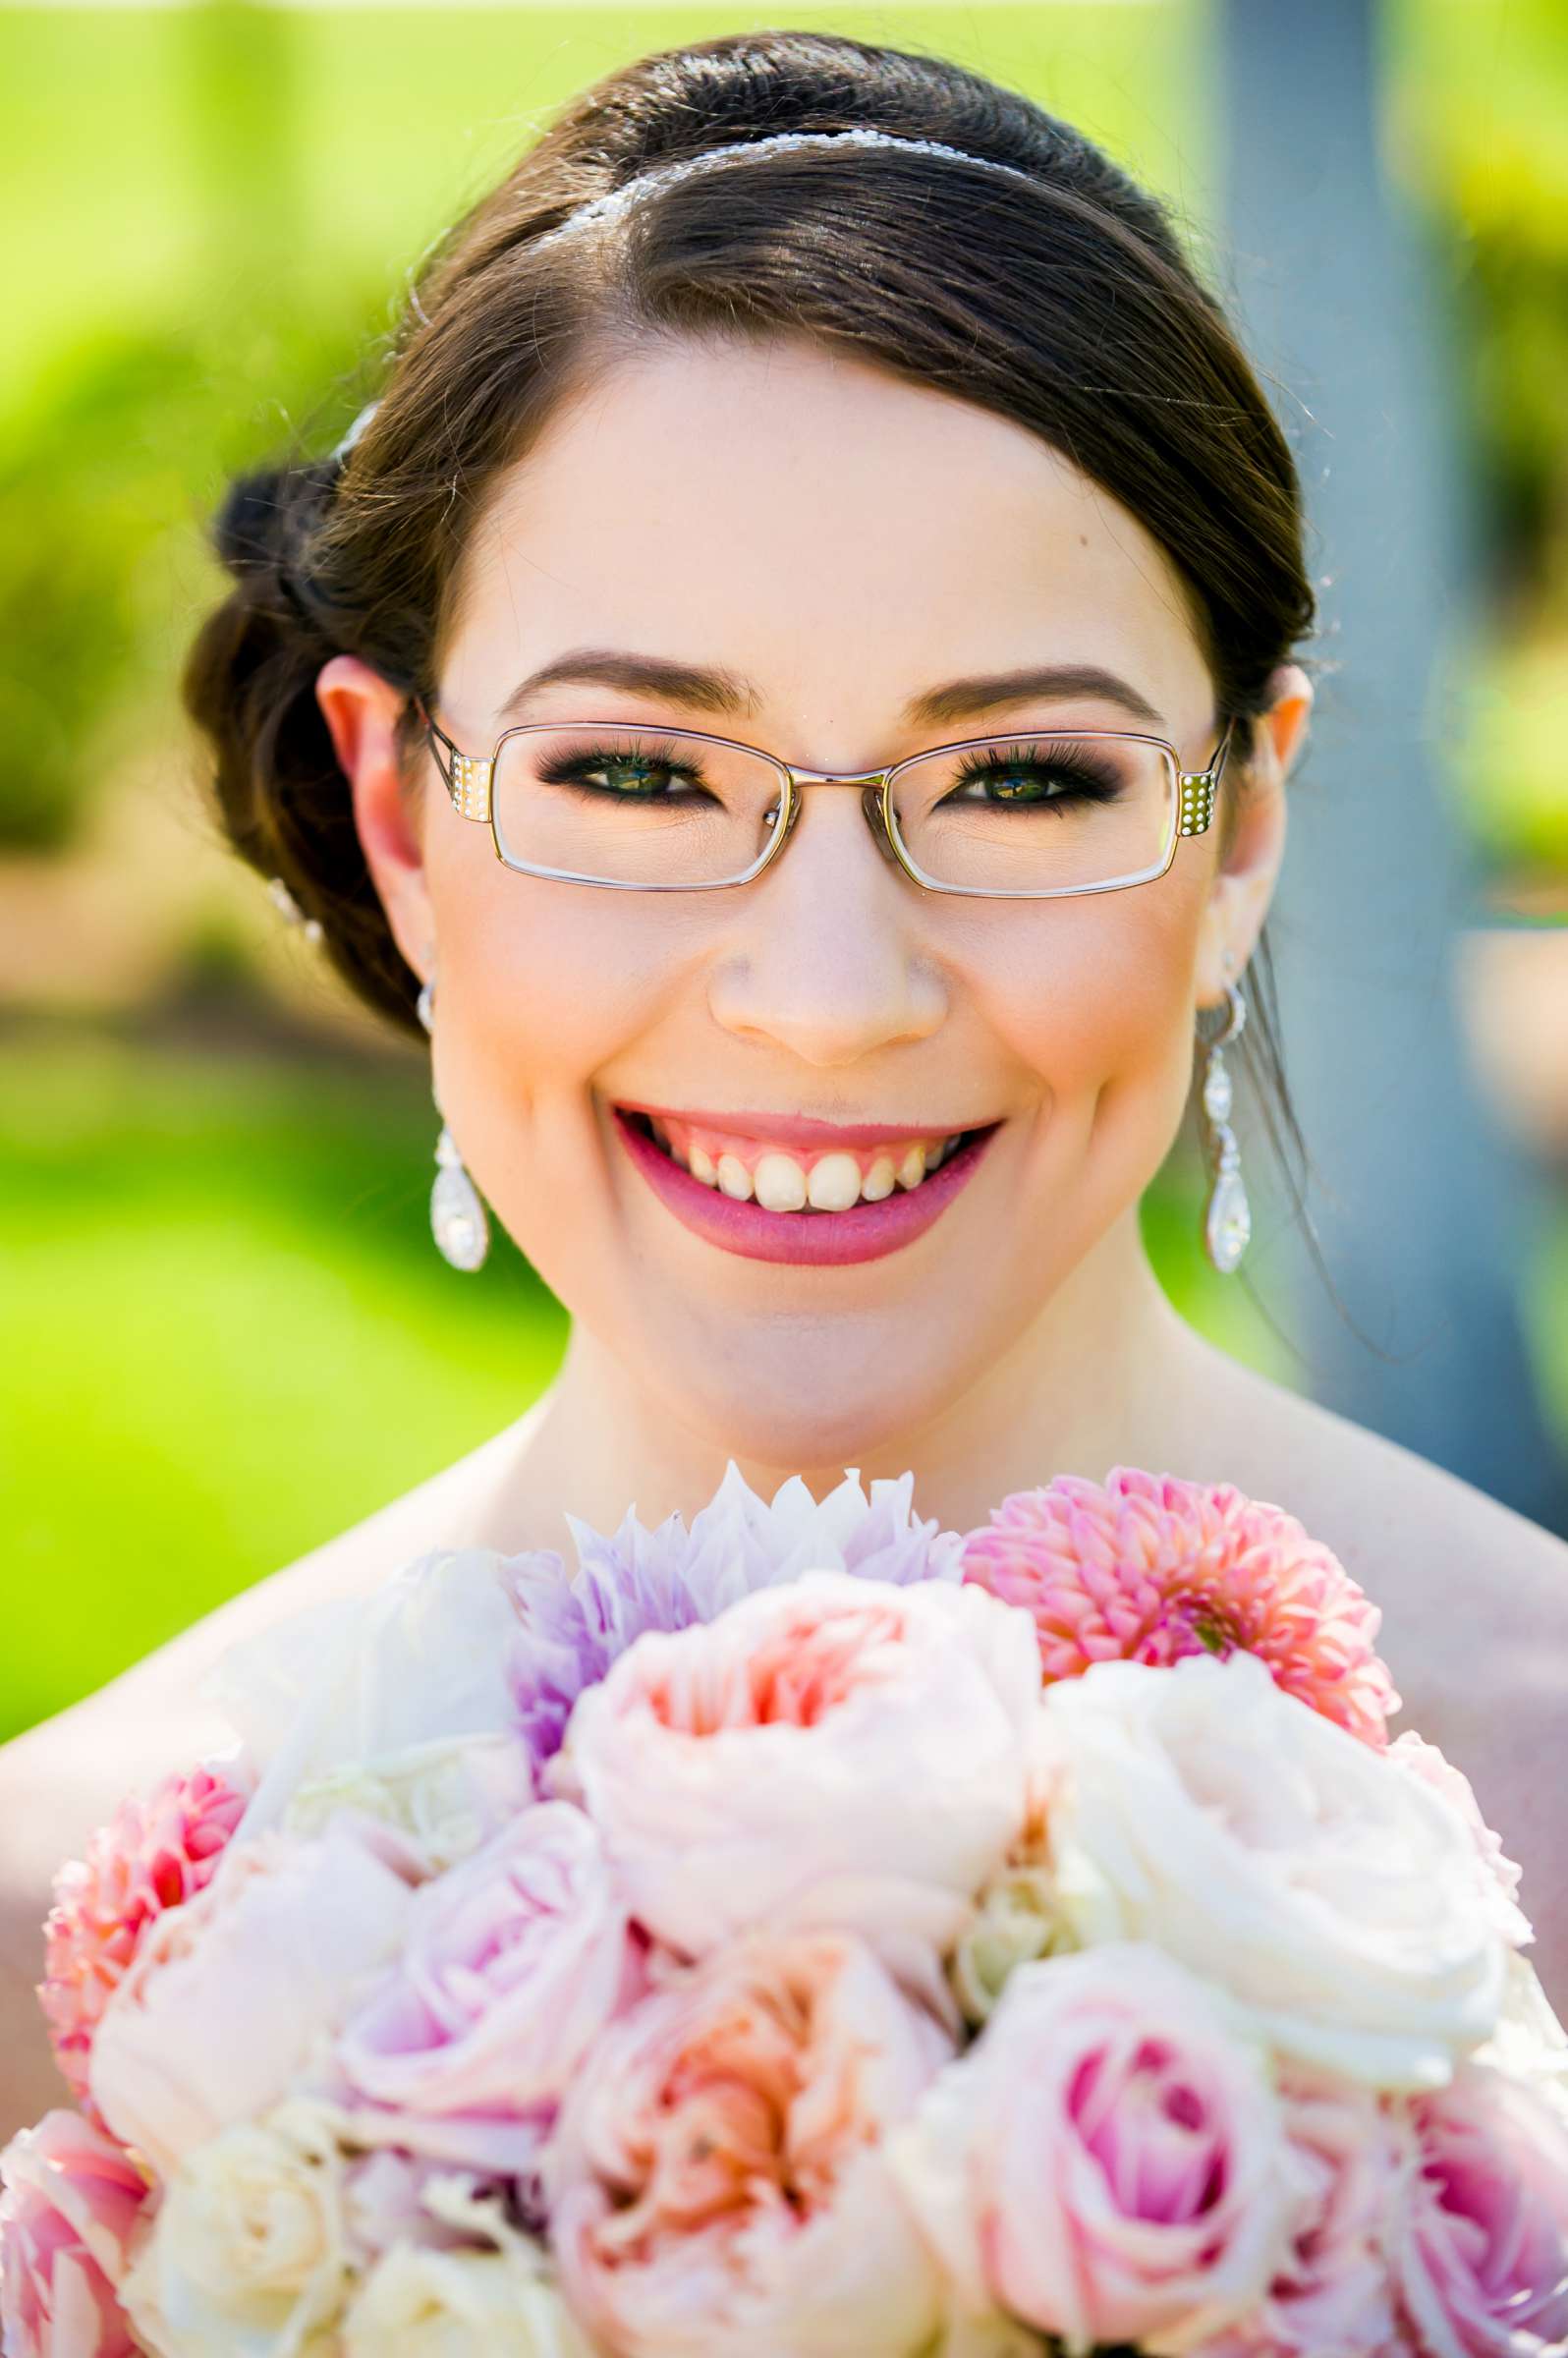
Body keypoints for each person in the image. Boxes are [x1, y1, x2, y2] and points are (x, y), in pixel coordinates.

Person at [2, 27, 1565, 2137]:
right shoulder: (65, 1963)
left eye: (1022, 779)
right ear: (398, 815)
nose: (830, 1000)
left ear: (1241, 834)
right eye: (638, 773)